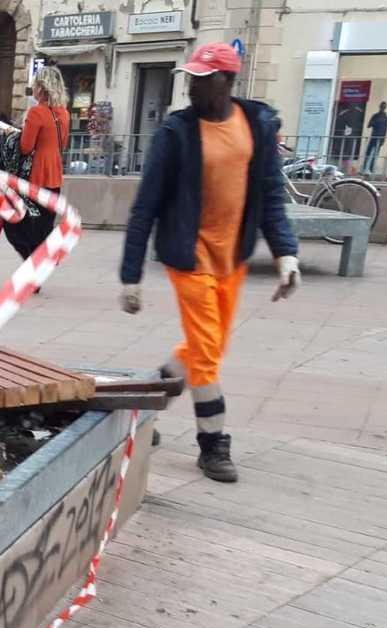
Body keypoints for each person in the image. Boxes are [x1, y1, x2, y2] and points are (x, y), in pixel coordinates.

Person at [118, 42, 300, 483]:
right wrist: (131, 275)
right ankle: (213, 443)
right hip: (189, 256)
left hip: (232, 257)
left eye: (203, 78)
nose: (194, 86)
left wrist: (286, 254)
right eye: (192, 78)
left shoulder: (256, 126)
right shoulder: (175, 133)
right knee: (206, 354)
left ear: (228, 81)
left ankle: (142, 409)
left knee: (210, 347)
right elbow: (146, 205)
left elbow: (272, 194)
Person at [0, 66, 70, 267]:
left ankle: (34, 265)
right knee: (43, 225)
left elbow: (25, 147)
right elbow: (62, 144)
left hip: (35, 175)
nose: (34, 88)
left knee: (15, 225)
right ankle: (43, 260)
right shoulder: (64, 113)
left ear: (42, 87)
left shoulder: (37, 112)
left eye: (36, 84)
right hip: (54, 174)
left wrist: (12, 134)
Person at [363, 101, 387, 175]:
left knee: (375, 154)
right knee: (368, 153)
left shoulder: (385, 117)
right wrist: (376, 122)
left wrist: (383, 138)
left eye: (384, 107)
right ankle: (365, 168)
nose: (383, 108)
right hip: (374, 136)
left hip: (380, 138)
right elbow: (369, 125)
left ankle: (371, 169)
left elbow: (385, 129)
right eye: (382, 106)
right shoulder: (375, 116)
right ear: (380, 107)